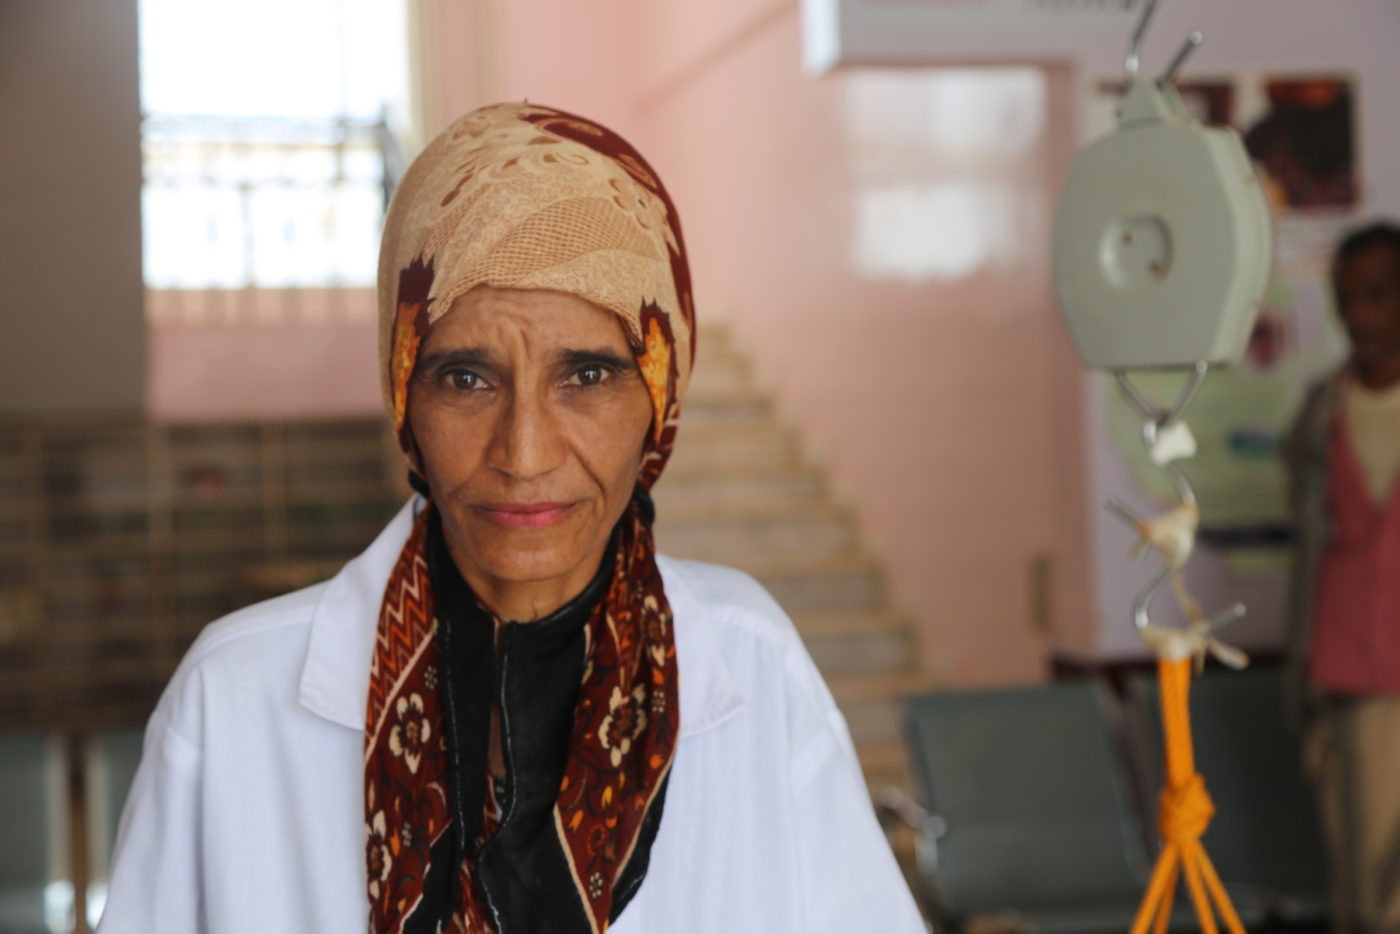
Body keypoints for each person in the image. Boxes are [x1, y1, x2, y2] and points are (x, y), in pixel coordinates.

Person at [97, 102, 923, 933]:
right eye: (466, 379)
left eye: (588, 375)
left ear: (660, 398)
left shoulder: (750, 662)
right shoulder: (233, 698)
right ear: (404, 396)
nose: (524, 455)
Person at [1284, 220, 1400, 932]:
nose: (1358, 316)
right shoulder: (1322, 416)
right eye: (1345, 298)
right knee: (1355, 888)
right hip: (1346, 677)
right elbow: (1307, 539)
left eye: (1378, 296)